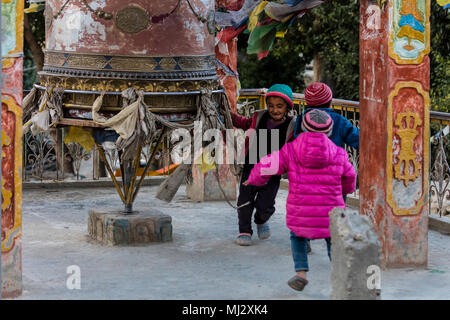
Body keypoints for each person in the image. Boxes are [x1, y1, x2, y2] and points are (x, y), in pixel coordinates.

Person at [243, 109, 356, 291]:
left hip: (301, 211)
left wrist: (254, 178)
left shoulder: (291, 150)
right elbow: (350, 177)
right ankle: (342, 274)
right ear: (329, 131)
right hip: (332, 211)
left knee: (298, 238)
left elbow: (268, 164)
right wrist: (345, 191)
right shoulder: (339, 153)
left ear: (303, 128)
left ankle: (301, 274)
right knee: (333, 240)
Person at [294, 82, 359, 253]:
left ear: (307, 103)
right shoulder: (339, 120)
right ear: (330, 102)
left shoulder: (301, 120)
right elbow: (357, 140)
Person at [231, 84, 296, 246]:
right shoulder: (259, 117)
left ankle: (261, 220)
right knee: (244, 200)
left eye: (279, 106)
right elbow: (243, 122)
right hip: (250, 166)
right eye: (271, 106)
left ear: (288, 107)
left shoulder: (292, 125)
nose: (275, 110)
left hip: (273, 171)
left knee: (266, 204)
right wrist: (227, 114)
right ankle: (245, 230)